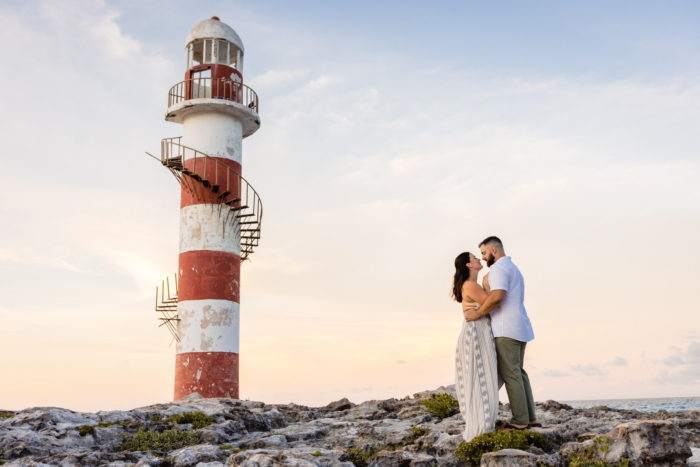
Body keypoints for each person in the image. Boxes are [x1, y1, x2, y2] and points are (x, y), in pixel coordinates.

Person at [463, 236, 539, 430]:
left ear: (493, 251)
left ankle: (520, 421)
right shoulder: (512, 267)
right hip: (519, 326)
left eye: (484, 253)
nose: (483, 257)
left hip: (506, 328)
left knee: (511, 374)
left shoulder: (498, 269)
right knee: (519, 373)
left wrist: (478, 313)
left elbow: (497, 297)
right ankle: (530, 418)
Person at [453, 251, 500, 441]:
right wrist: (489, 285)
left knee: (483, 375)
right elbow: (492, 303)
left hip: (477, 330)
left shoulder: (472, 285)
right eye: (474, 258)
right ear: (468, 265)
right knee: (481, 375)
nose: (478, 259)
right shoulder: (470, 285)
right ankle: (481, 424)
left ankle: (483, 420)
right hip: (475, 332)